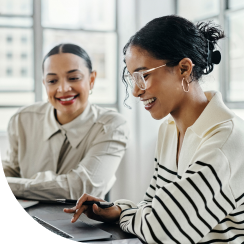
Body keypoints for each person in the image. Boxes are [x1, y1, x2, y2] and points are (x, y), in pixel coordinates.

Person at [64, 16, 244, 243]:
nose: (136, 92)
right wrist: (118, 210)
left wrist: (125, 215)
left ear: (184, 69)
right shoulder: (169, 130)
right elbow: (152, 205)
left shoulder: (226, 141)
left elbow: (163, 231)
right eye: (133, 78)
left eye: (144, 76)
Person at [2, 43, 129, 201]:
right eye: (52, 81)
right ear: (44, 84)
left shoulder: (112, 125)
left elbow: (82, 188)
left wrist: (21, 185)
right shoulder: (22, 119)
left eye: (74, 78)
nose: (63, 88)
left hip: (82, 223)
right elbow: (11, 170)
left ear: (92, 79)